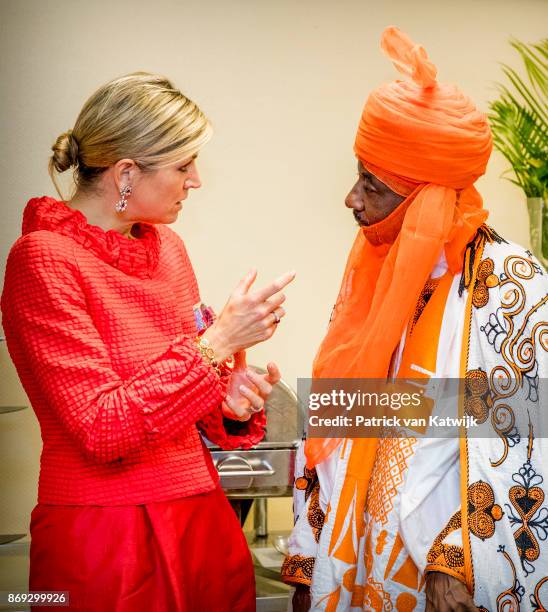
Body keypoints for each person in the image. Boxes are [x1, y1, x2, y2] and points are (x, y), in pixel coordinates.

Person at [1, 72, 296, 611]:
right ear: (127, 174)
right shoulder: (43, 259)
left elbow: (179, 396)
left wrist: (226, 398)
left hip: (201, 513)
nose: (197, 180)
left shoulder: (169, 250)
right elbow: (101, 427)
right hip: (104, 533)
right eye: (184, 166)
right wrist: (216, 343)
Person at [282, 27, 547, 611]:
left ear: (425, 199)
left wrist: (459, 559)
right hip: (353, 562)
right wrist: (309, 555)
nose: (352, 199)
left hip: (437, 575)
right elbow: (341, 413)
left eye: (372, 186)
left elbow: (526, 445)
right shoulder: (378, 273)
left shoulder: (509, 285)